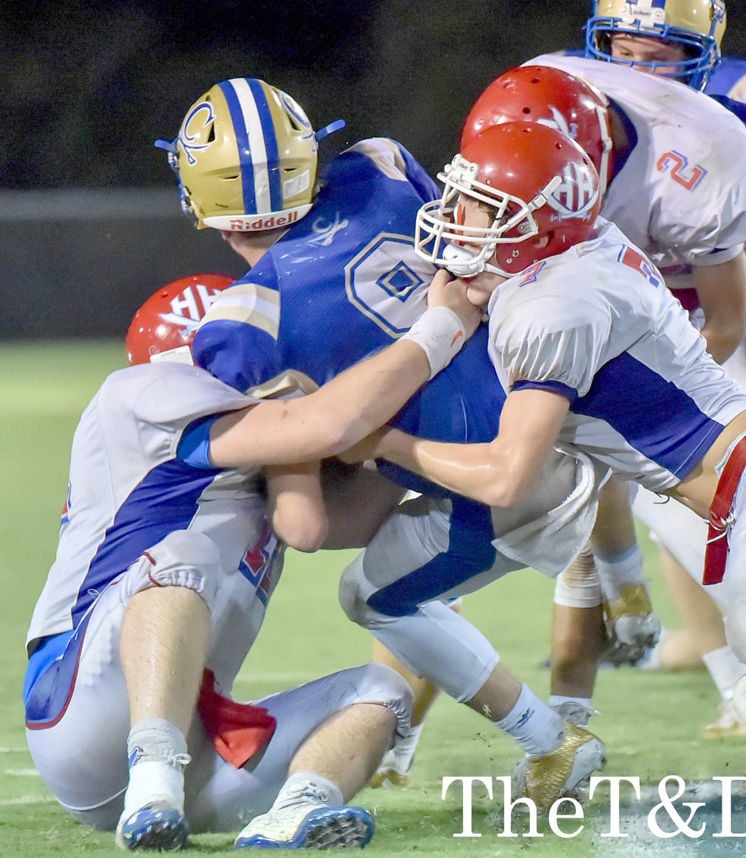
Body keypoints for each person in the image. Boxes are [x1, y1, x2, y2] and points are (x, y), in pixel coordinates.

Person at [353, 120, 746, 842]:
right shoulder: (581, 253)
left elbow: (507, 475)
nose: (458, 219)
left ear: (536, 218)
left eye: (480, 204)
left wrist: (382, 439)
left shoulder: (549, 308)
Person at [159, 77, 610, 811]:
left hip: (494, 478)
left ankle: (550, 739)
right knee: (401, 559)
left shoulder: (242, 323)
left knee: (374, 598)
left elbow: (305, 526)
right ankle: (601, 603)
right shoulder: (383, 166)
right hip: (561, 403)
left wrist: (301, 451)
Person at [23, 267, 482, 851]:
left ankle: (295, 812)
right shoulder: (135, 393)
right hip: (76, 703)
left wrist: (423, 423)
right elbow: (315, 424)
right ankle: (153, 779)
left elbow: (329, 522)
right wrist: (439, 332)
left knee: (382, 692)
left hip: (197, 737)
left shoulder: (260, 458)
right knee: (177, 556)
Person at [526, 0, 746, 753]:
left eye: (661, 52)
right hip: (607, 332)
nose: (637, 69)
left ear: (703, 49)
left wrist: (738, 286)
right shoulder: (562, 91)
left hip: (717, 332)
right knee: (607, 517)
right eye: (622, 47)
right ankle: (612, 706)